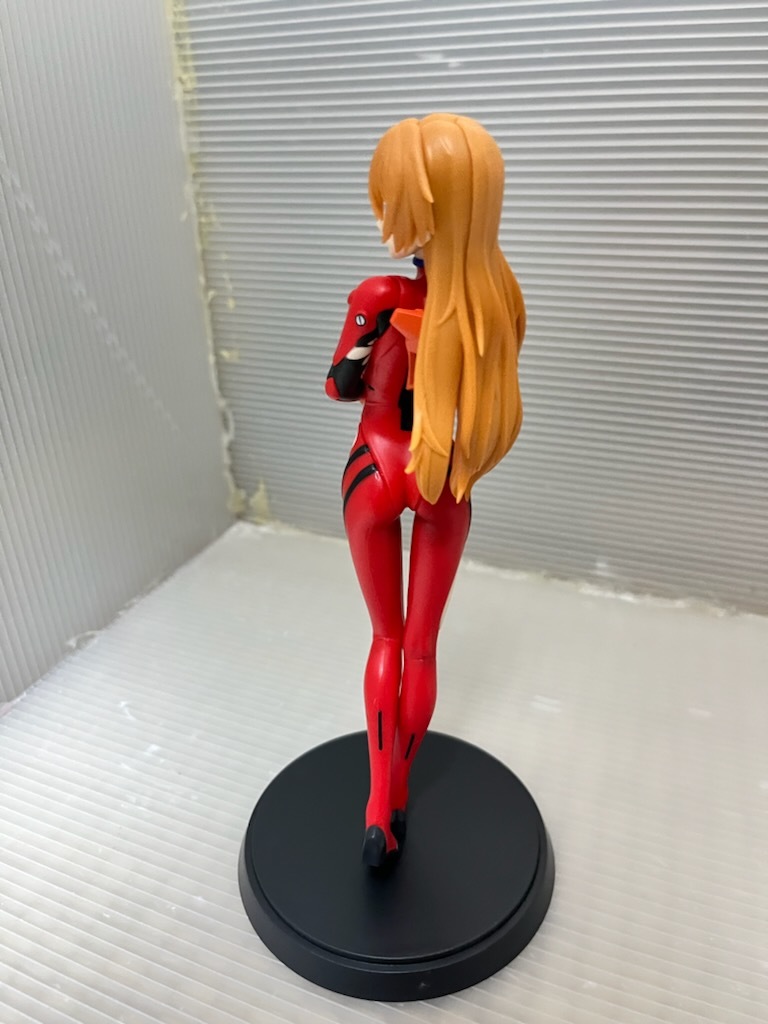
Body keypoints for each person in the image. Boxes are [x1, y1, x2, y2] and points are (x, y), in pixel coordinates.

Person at [326, 113, 526, 867]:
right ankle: (400, 790)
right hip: (445, 480)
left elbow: (337, 386)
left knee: (386, 638)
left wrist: (369, 340)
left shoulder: (381, 294)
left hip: (376, 468)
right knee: (421, 648)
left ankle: (379, 807)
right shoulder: (497, 307)